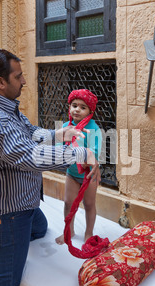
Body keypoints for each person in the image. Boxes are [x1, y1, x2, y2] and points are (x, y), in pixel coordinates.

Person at [0, 48, 100, 286]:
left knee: (39, 227)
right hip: (7, 214)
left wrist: (57, 135)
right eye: (18, 76)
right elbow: (30, 156)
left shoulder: (6, 107)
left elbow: (29, 131)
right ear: (0, 82)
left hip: (24, 204)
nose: (24, 81)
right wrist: (80, 154)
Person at [55, 89, 102, 245]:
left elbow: (93, 153)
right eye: (74, 105)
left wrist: (78, 154)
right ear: (69, 107)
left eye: (83, 107)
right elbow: (60, 148)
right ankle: (68, 231)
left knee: (89, 204)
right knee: (68, 202)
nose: (77, 109)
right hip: (72, 173)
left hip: (89, 175)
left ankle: (88, 233)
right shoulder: (65, 126)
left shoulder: (93, 128)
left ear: (90, 111)